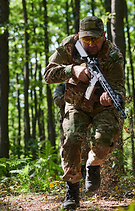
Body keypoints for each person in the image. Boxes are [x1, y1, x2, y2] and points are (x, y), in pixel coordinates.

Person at [44, 16, 125, 210]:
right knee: (71, 139)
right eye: (86, 39)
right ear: (79, 36)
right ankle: (72, 191)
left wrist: (111, 97)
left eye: (95, 40)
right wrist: (73, 70)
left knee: (105, 140)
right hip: (76, 103)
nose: (90, 44)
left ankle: (93, 164)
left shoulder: (113, 55)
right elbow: (48, 74)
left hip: (101, 107)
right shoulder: (69, 46)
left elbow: (119, 89)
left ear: (104, 36)